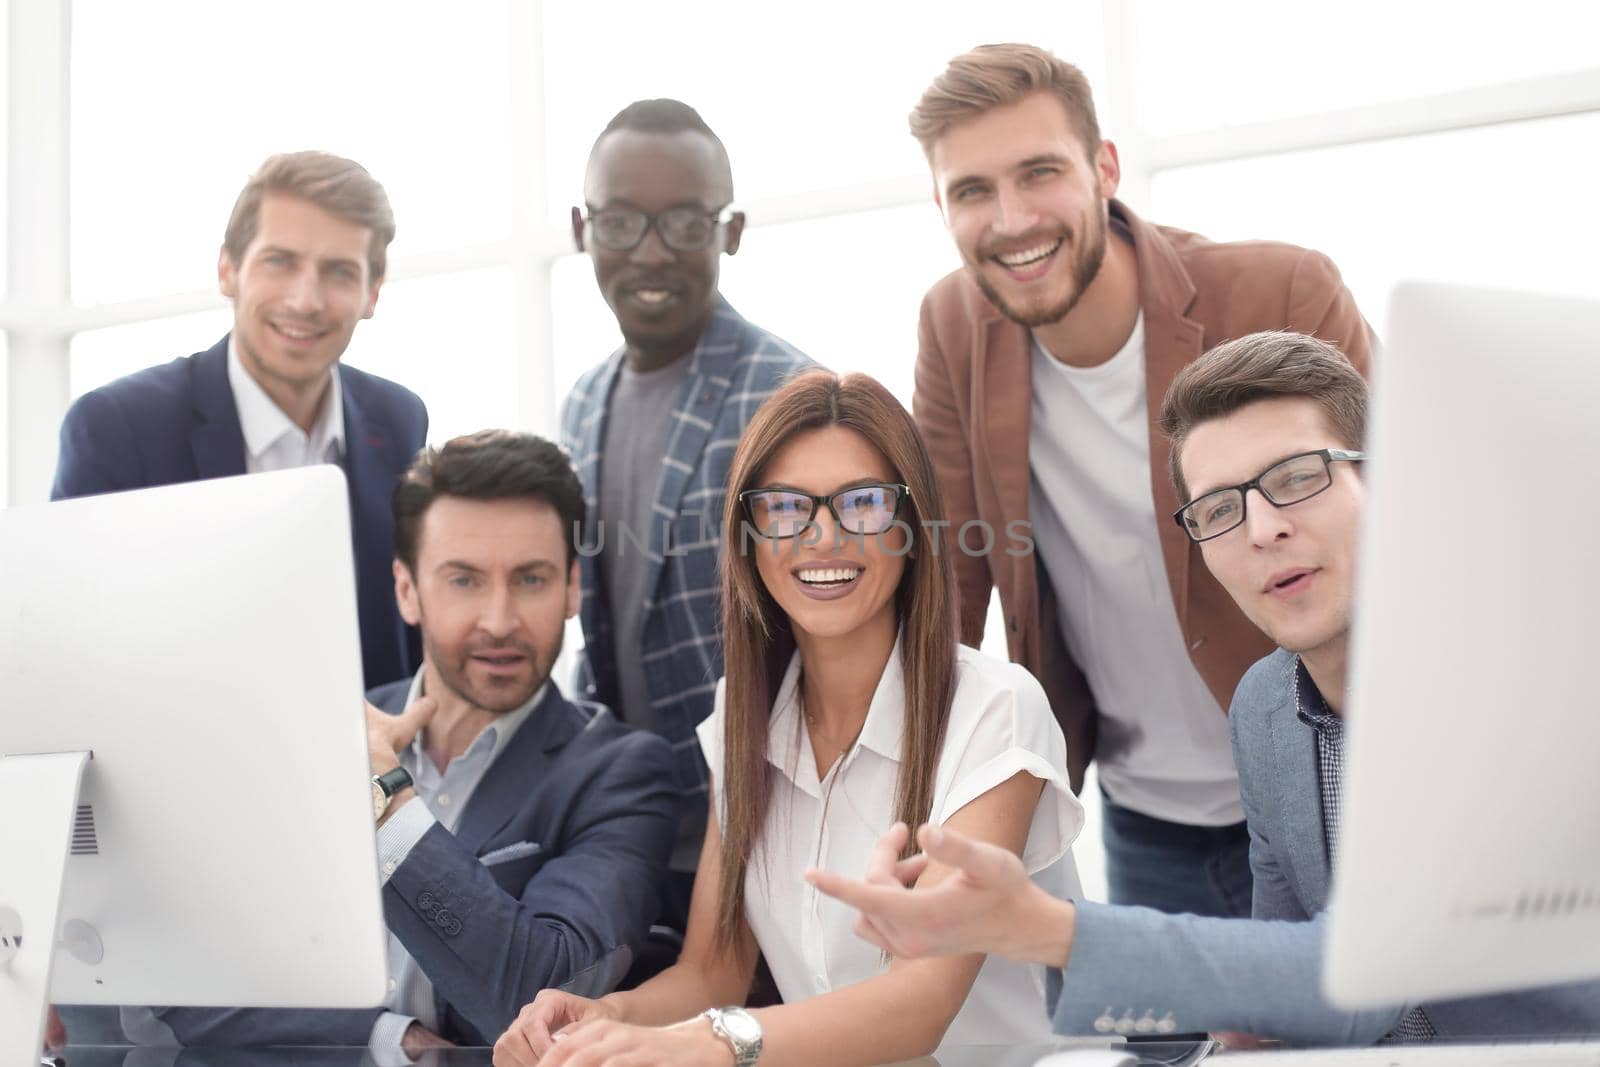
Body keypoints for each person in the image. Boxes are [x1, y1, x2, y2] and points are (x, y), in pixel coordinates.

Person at [809, 333, 1600, 1045]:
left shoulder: (1517, 675)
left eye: (1297, 477)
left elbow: (1364, 979)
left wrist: (1045, 928)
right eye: (1221, 508)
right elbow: (1281, 996)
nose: (1261, 530)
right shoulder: (1265, 709)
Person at [493, 371, 1083, 1066]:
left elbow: (920, 1004)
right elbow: (713, 969)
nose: (823, 537)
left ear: (911, 528)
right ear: (748, 537)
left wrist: (715, 1043)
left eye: (862, 504)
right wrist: (604, 1014)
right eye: (784, 508)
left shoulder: (996, 709)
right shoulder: (742, 714)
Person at [910, 43, 1377, 917]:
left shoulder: (1280, 290)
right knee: (1162, 1054)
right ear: (941, 206)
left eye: (1038, 172)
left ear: (1104, 168)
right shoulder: (953, 325)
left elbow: (1409, 518)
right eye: (971, 190)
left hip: (1337, 781)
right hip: (1143, 815)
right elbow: (949, 580)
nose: (1010, 219)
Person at [122, 431, 679, 1053]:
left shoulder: (623, 772)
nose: (499, 620)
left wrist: (384, 796)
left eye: (531, 579)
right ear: (407, 590)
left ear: (573, 588)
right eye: (464, 581)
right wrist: (392, 1037)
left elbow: (539, 999)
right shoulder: (311, 731)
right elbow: (185, 977)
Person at [562, 99, 815, 925]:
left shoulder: (790, 398)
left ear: (730, 230)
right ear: (581, 228)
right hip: (635, 841)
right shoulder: (582, 402)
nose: (650, 252)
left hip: (771, 834)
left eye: (682, 222)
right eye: (622, 221)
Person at [52, 150, 427, 691]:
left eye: (339, 272)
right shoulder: (116, 429)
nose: (306, 300)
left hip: (366, 764)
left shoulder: (399, 420)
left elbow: (410, 632)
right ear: (228, 270)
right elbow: (72, 653)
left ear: (372, 292)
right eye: (280, 261)